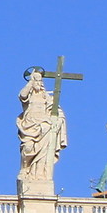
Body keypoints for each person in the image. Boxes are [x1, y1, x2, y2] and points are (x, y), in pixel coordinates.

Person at [15, 69, 67, 197]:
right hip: (29, 127)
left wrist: (57, 121)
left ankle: (40, 175)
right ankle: (25, 169)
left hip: (44, 128)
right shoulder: (29, 96)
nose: (39, 82)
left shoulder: (47, 98)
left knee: (43, 155)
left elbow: (58, 113)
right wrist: (31, 82)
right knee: (27, 148)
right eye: (36, 80)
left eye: (40, 80)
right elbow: (22, 95)